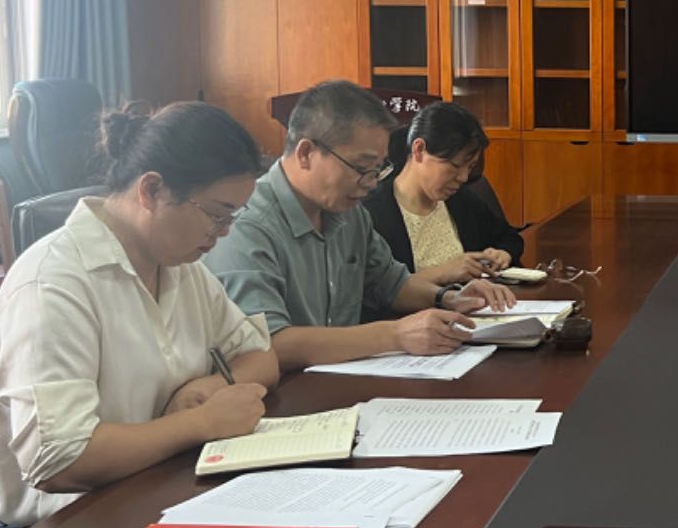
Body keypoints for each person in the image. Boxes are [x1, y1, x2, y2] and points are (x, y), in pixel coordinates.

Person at [0, 101, 281, 528]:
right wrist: (199, 421)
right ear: (151, 189)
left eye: (233, 217)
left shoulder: (180, 267)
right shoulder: (53, 283)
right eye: (217, 214)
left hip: (146, 493)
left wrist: (209, 387)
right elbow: (60, 459)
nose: (225, 231)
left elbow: (260, 357)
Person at [205, 80, 512, 373]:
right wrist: (395, 335)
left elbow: (391, 283)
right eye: (362, 168)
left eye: (378, 169)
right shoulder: (247, 226)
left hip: (343, 379)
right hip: (279, 393)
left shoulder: (348, 213)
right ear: (306, 153)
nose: (371, 183)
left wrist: (448, 298)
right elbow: (266, 345)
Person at [365, 101, 525, 286]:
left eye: (470, 167)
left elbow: (509, 237)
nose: (464, 177)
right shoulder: (372, 212)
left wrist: (502, 253)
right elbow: (373, 289)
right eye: (455, 166)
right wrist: (443, 273)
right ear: (419, 150)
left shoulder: (460, 200)